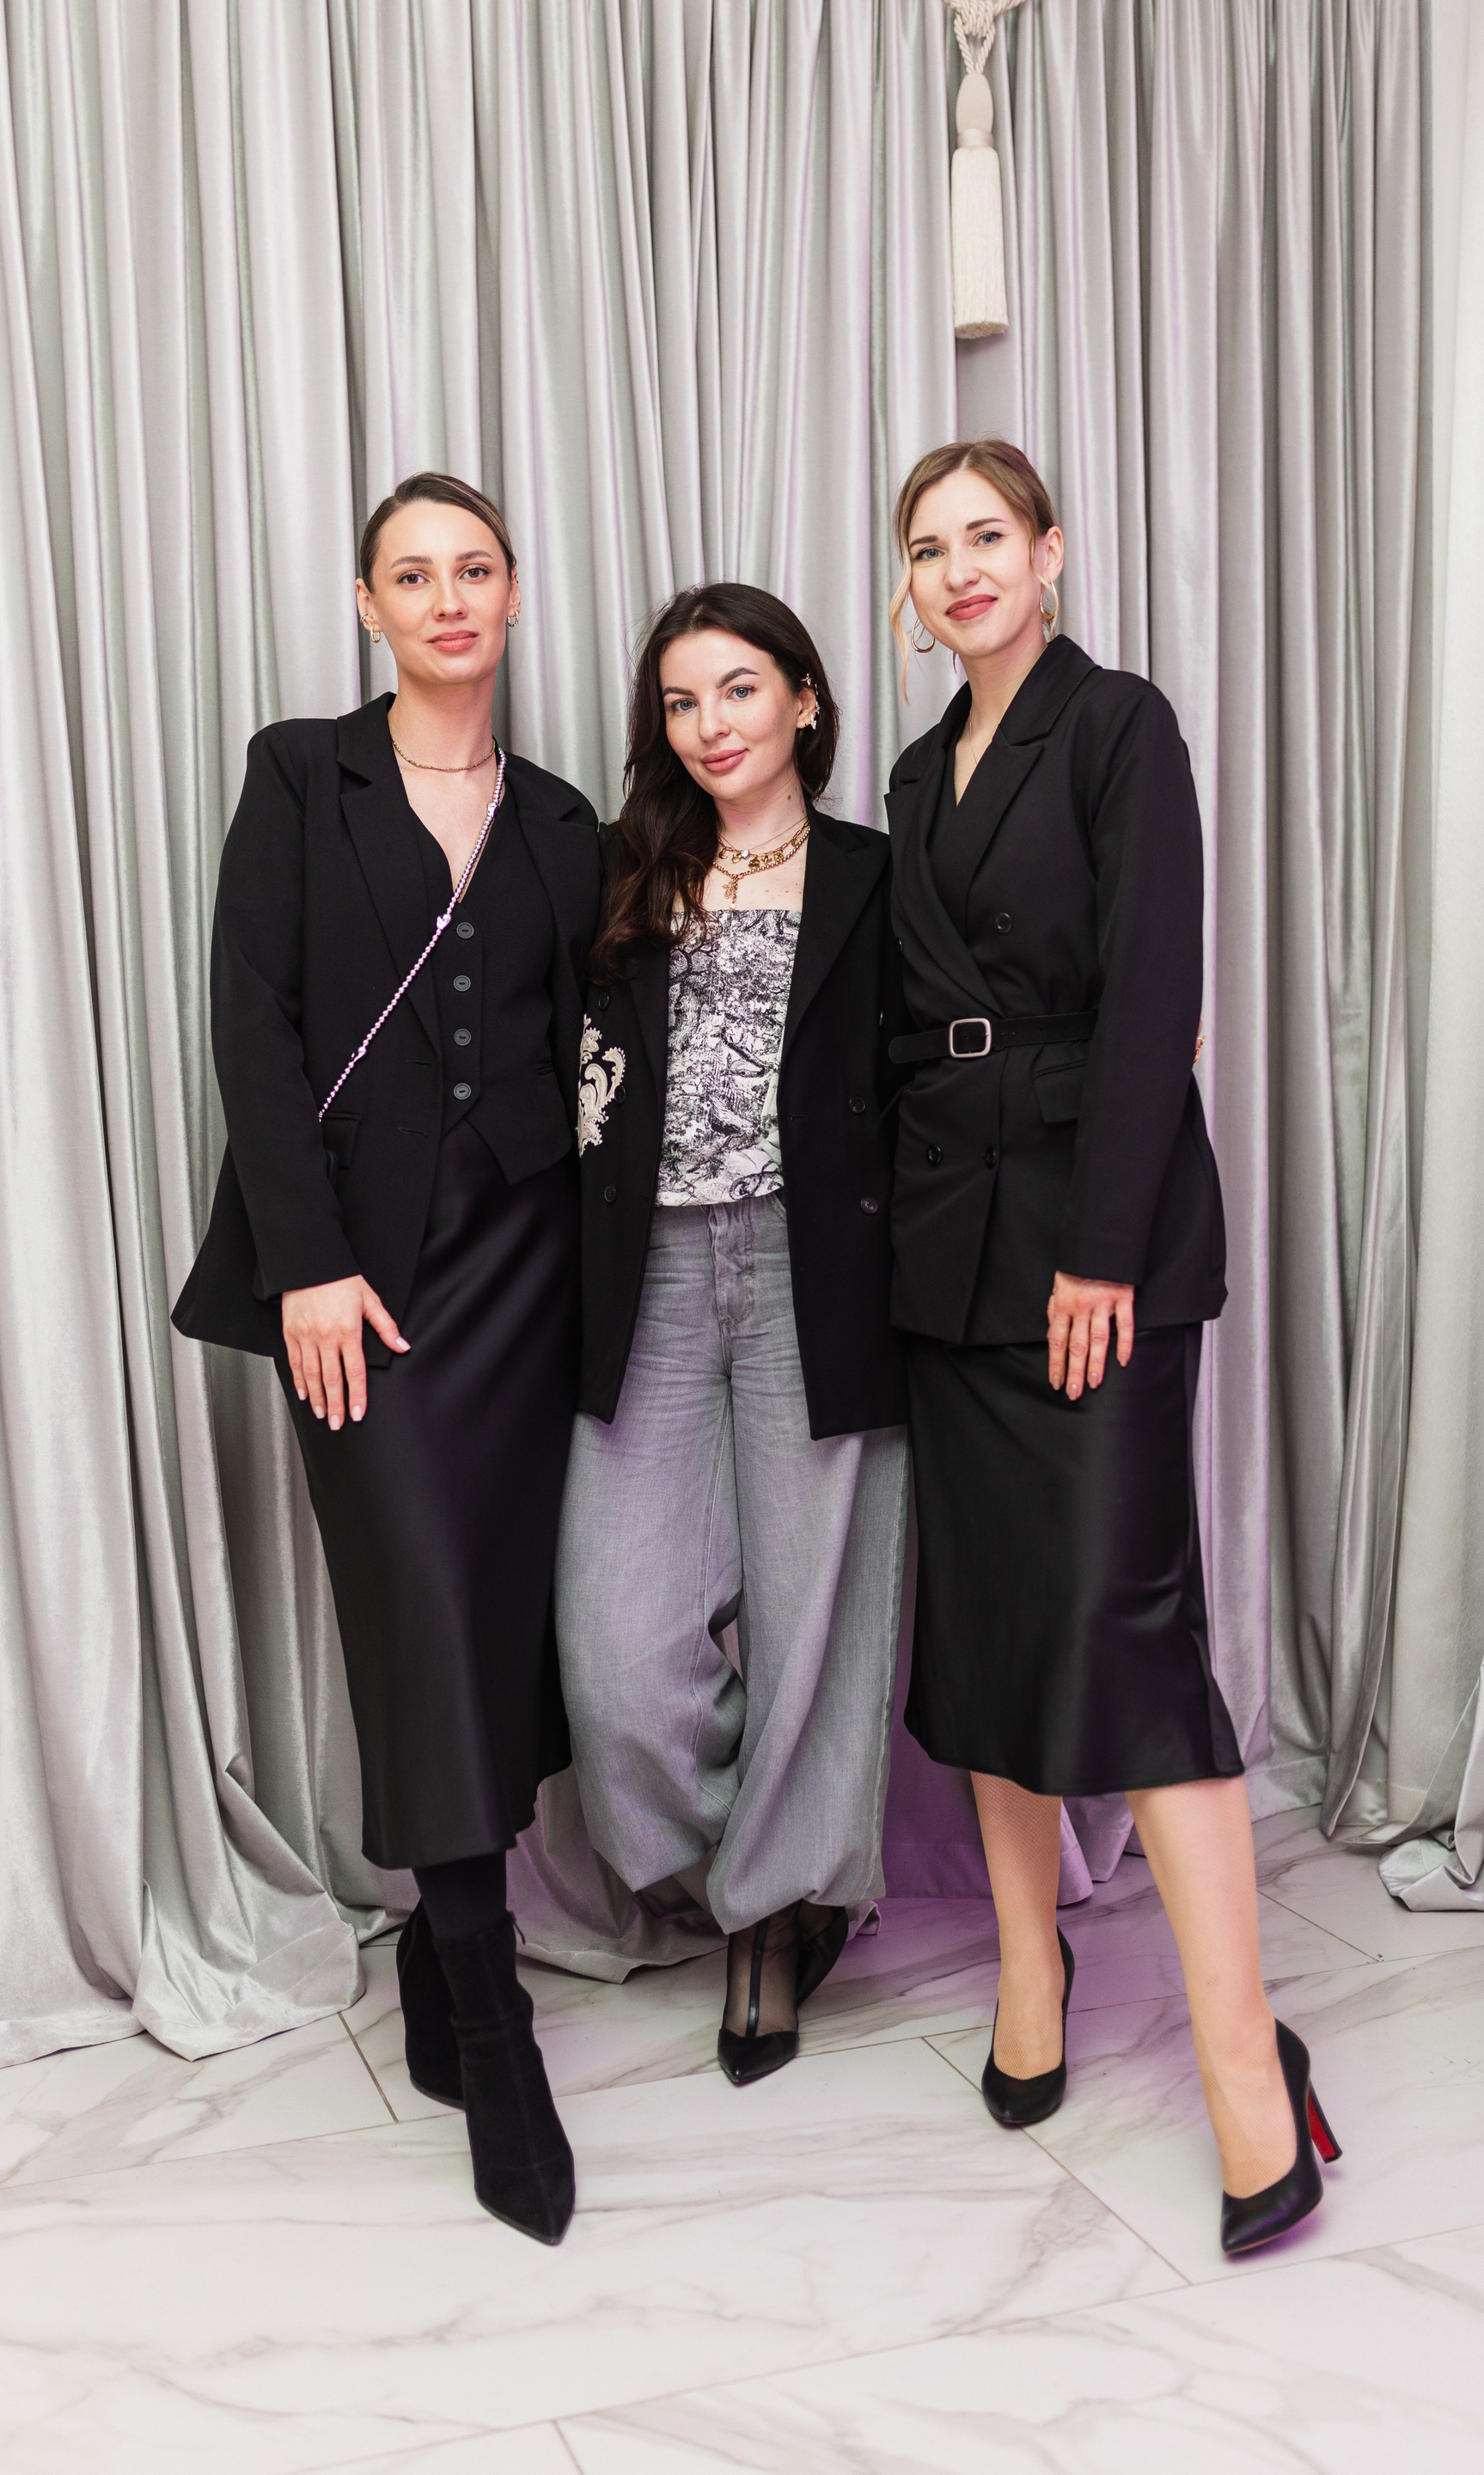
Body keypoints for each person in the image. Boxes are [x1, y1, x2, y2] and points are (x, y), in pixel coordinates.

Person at [884, 438, 1341, 2255]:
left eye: (987, 535)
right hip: (947, 1254)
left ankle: (1247, 2069)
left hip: (1094, 1237)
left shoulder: (1119, 726)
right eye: (930, 547)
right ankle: (1030, 1969)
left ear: (1051, 550)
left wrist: (1103, 1257)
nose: (961, 569)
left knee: (1126, 1631)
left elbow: (1159, 995)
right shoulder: (913, 771)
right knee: (990, 1631)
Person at [173, 472, 601, 2246]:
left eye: (474, 569)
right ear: (370, 605)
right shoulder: (300, 776)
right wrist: (308, 1265)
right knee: (420, 1608)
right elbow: (251, 1023)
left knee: (499, 1620)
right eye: (412, 575)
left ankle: (438, 1949)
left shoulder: (566, 819)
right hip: (363, 1285)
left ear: (513, 594)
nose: (447, 599)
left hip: (530, 1275)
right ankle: (493, 2023)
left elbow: (615, 1035)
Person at [557, 583, 911, 2085]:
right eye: (683, 701)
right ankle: (757, 1868)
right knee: (617, 1652)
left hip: (816, 1271)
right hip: (643, 1274)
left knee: (817, 1617)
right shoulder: (621, 871)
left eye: (742, 689)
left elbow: (970, 1029)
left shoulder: (878, 873)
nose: (711, 725)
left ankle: (776, 1914)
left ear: (805, 701)